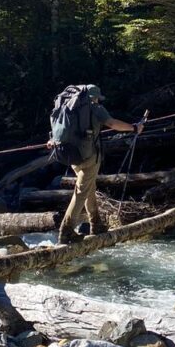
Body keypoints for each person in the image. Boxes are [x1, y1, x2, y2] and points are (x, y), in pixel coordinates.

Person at [55, 84, 143, 244]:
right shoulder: (95, 108)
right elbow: (112, 124)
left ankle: (96, 224)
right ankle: (66, 231)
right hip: (89, 156)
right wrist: (134, 127)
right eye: (97, 97)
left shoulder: (69, 106)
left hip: (72, 155)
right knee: (82, 191)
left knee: (89, 188)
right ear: (94, 97)